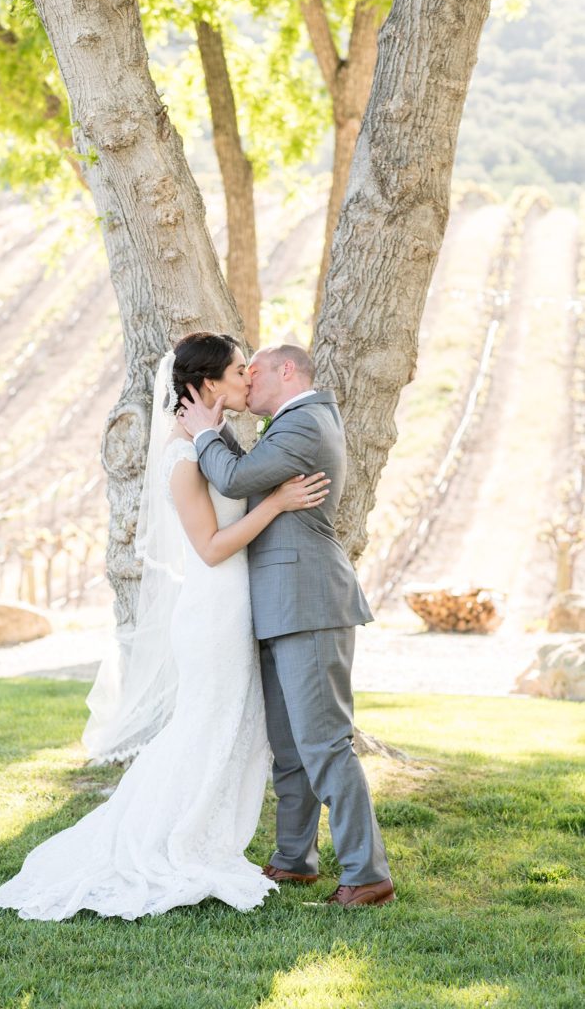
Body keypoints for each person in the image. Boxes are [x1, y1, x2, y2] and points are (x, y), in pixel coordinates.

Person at [0, 333, 329, 921]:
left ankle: (205, 835)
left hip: (235, 607)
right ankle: (163, 839)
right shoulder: (182, 455)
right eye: (239, 371)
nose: (248, 379)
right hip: (213, 612)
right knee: (203, 727)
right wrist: (277, 503)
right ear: (208, 383)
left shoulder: (214, 441)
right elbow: (212, 548)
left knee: (232, 728)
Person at [179, 342, 394, 908]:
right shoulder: (291, 424)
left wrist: (204, 433)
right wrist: (215, 433)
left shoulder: (306, 422)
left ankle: (367, 874)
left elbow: (235, 480)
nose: (247, 380)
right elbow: (253, 479)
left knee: (325, 744)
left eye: (254, 371)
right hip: (280, 605)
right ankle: (295, 859)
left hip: (309, 603)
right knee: (290, 748)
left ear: (287, 370)